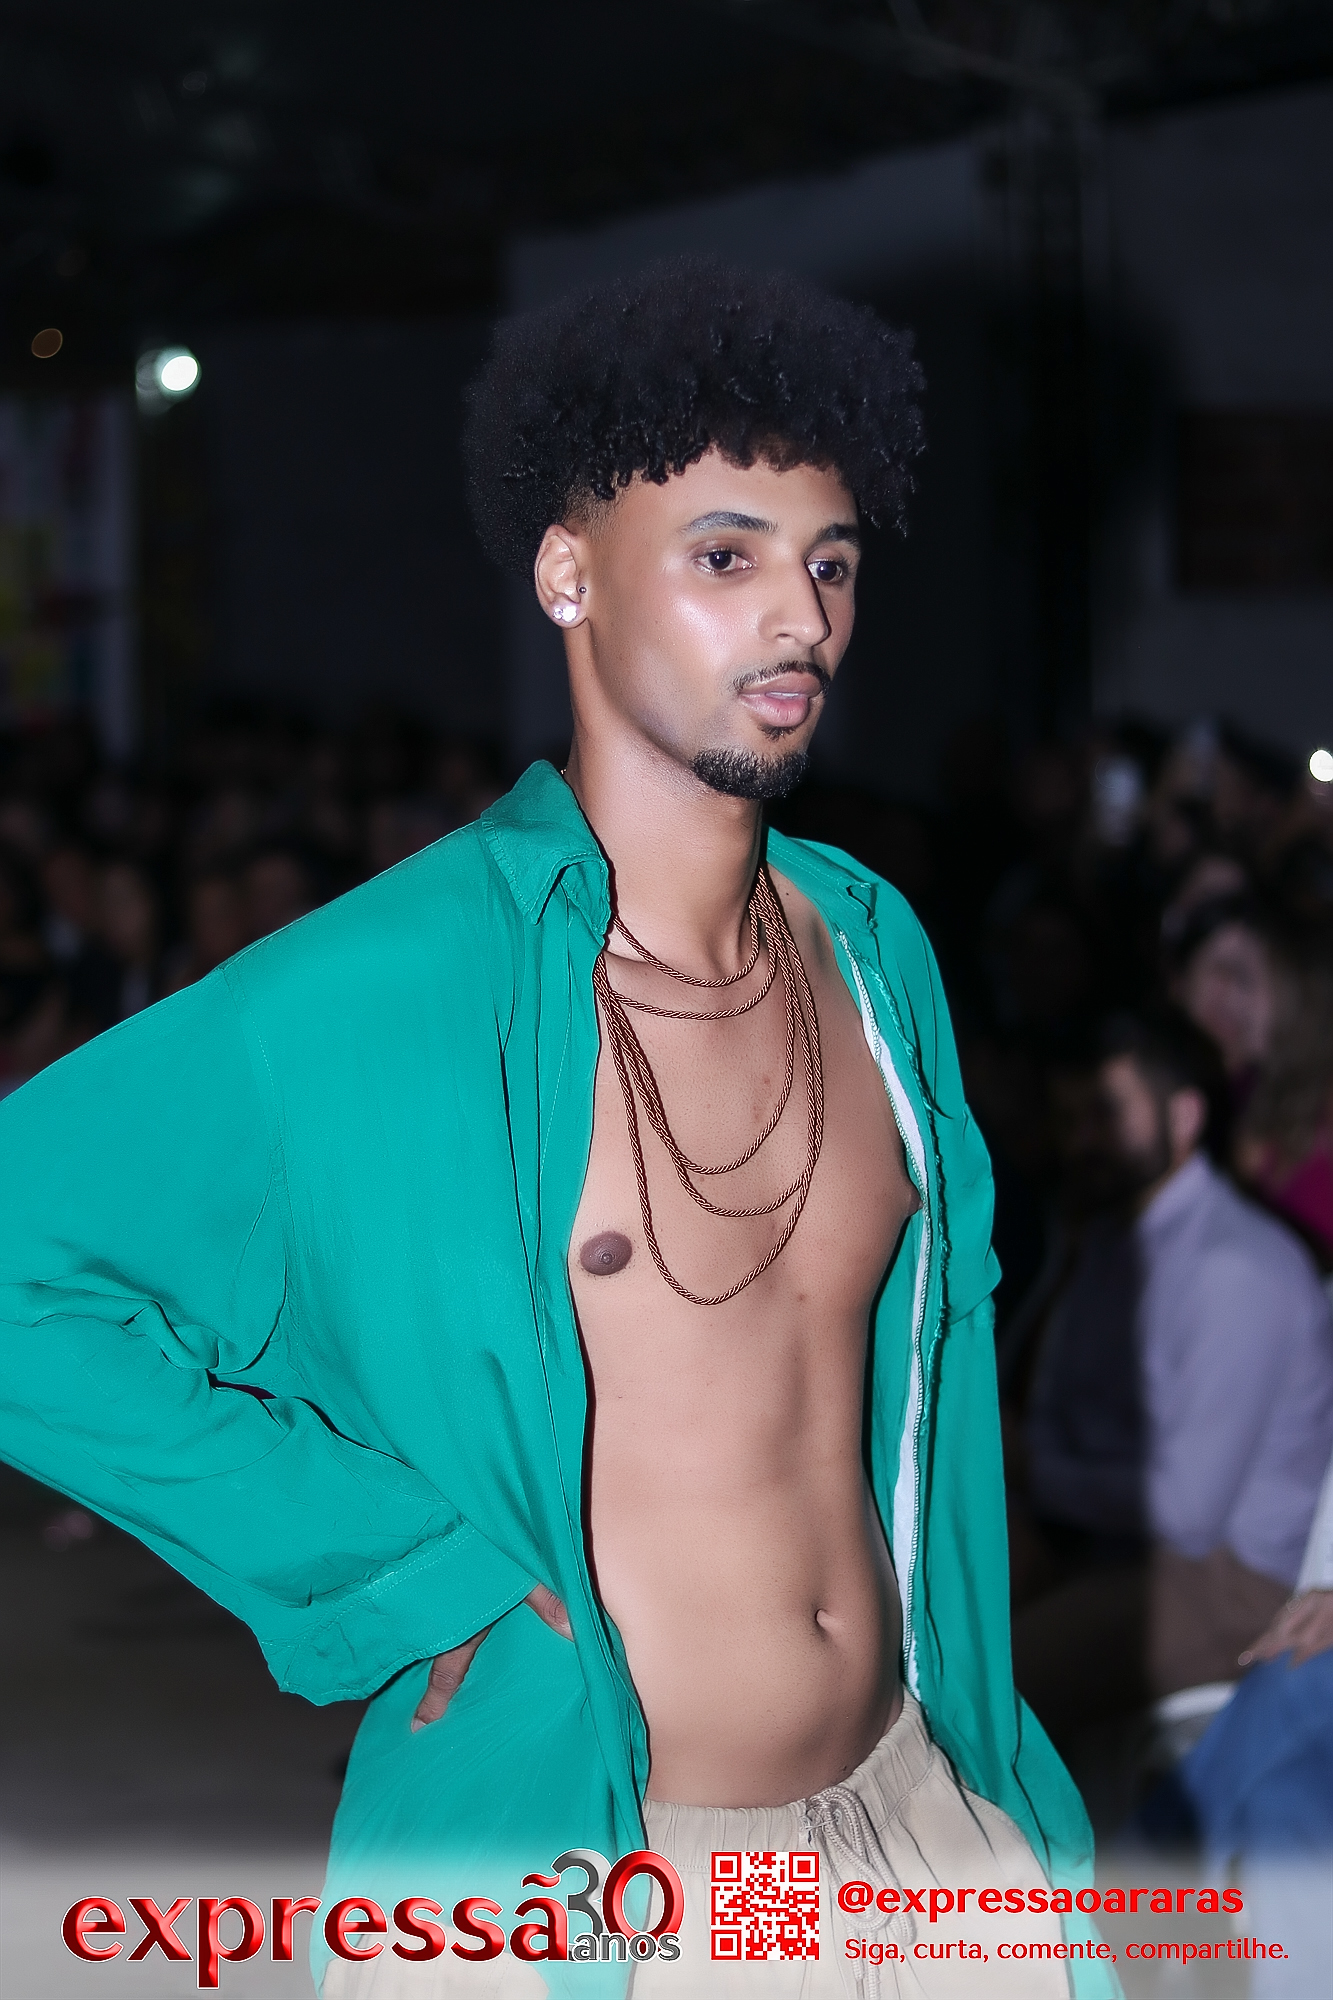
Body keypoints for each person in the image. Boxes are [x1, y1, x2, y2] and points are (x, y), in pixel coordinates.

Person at [0, 261, 1103, 1998]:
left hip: (910, 1813)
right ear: (567, 573)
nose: (801, 619)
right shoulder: (389, 982)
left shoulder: (874, 946)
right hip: (599, 1868)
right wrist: (382, 1563)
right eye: (726, 558)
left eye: (829, 564)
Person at [1013, 1012, 1333, 1743]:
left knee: (993, 1686)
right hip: (1116, 1545)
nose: (1080, 1141)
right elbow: (1057, 1417)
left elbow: (1188, 1512)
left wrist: (1032, 1472)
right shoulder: (1107, 1237)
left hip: (1238, 1583)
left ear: (1184, 1116)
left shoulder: (1235, 1268)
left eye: (1104, 1114)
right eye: (1069, 1118)